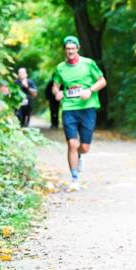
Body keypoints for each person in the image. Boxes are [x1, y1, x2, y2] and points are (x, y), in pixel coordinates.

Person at [50, 36, 106, 186]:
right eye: (68, 49)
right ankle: (74, 178)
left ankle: (79, 155)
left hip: (87, 108)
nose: (70, 51)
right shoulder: (60, 67)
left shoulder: (88, 64)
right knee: (72, 144)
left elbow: (102, 81)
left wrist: (90, 90)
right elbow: (55, 85)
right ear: (65, 50)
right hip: (69, 108)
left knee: (85, 147)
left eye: (73, 49)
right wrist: (57, 92)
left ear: (78, 48)